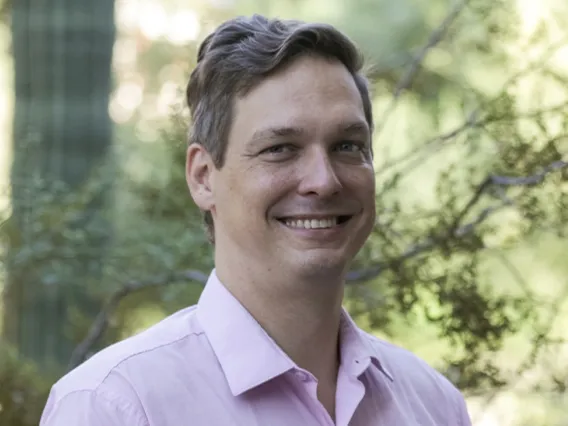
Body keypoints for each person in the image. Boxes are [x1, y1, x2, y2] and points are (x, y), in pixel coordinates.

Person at [40, 14, 472, 425]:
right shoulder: (116, 407)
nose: (323, 181)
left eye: (348, 146)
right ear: (204, 177)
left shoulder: (434, 406)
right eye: (280, 148)